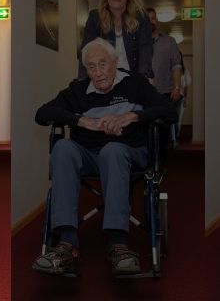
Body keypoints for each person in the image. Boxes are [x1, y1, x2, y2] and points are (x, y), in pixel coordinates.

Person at [32, 38, 176, 276]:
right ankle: (67, 244)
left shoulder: (136, 84)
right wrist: (81, 120)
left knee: (113, 150)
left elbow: (169, 111)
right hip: (88, 153)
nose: (97, 73)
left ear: (115, 62)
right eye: (91, 66)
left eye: (103, 64)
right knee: (63, 148)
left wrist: (132, 116)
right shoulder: (77, 91)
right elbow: (42, 113)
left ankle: (118, 245)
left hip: (128, 152)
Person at [78, 0, 152, 79]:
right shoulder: (94, 18)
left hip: (132, 79)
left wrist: (142, 82)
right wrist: (82, 82)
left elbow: (145, 50)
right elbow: (86, 52)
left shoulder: (141, 17)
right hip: (103, 80)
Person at [147, 7, 183, 148]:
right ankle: (147, 165)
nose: (151, 22)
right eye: (147, 19)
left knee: (162, 130)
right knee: (142, 131)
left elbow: (176, 66)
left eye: (153, 18)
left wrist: (177, 87)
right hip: (142, 95)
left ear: (157, 20)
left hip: (164, 93)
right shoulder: (135, 42)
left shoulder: (169, 41)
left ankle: (159, 163)